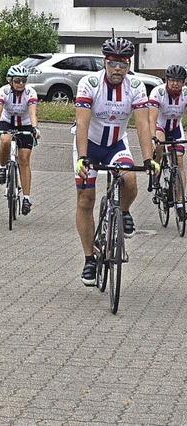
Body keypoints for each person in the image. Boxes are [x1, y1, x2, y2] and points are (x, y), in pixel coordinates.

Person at [74, 37, 158, 286]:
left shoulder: (135, 86)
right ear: (105, 63)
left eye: (123, 63)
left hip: (116, 145)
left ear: (129, 64)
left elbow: (142, 124)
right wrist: (82, 157)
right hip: (89, 145)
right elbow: (82, 122)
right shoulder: (89, 83)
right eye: (113, 63)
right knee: (86, 199)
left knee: (130, 179)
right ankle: (90, 258)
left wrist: (148, 159)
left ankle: (123, 211)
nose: (118, 69)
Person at [0, 65, 40, 215]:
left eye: (24, 80)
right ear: (10, 81)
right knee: (5, 140)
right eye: (17, 80)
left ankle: (27, 198)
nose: (21, 84)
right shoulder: (3, 91)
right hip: (7, 121)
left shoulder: (30, 92)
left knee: (24, 159)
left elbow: (32, 113)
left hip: (25, 123)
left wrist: (35, 128)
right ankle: (3, 167)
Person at [148, 64, 187, 219]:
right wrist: (153, 137)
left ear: (184, 82)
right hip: (160, 126)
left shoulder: (185, 93)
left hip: (176, 128)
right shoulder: (158, 92)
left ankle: (179, 202)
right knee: (159, 148)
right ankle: (155, 174)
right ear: (166, 80)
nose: (175, 83)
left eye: (179, 80)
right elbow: (151, 118)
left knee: (179, 162)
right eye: (172, 80)